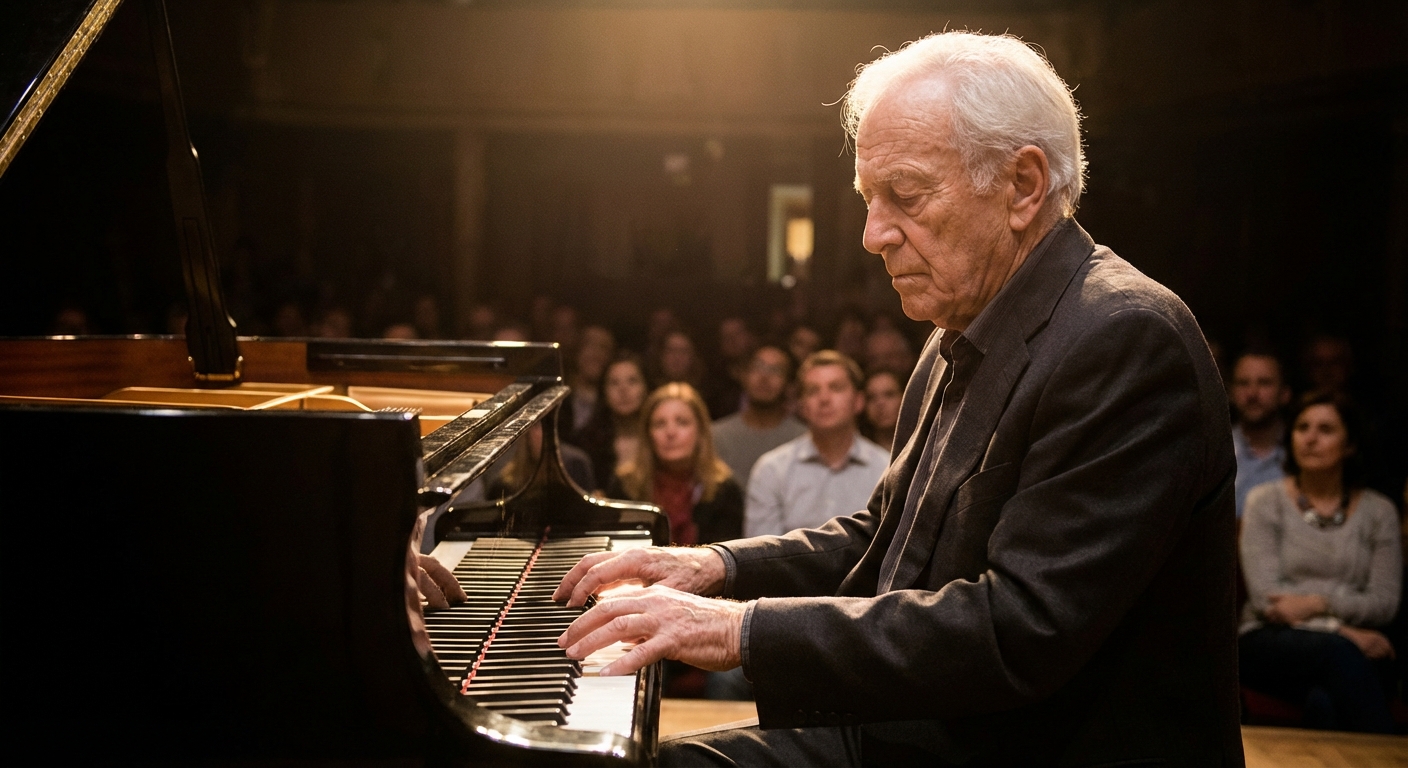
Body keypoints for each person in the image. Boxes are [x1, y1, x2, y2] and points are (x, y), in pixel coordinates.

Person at [552, 30, 1241, 766]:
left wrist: (734, 630)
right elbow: (884, 534)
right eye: (868, 199)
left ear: (1022, 185)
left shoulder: (1124, 337)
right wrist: (714, 567)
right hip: (932, 723)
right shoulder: (964, 317)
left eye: (904, 196)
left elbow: (1018, 630)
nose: (873, 235)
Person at [1238, 390, 1402, 733]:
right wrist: (1340, 631)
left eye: (1325, 430)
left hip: (1355, 650)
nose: (1310, 439)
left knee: (1324, 702)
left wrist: (1315, 603)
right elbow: (1268, 601)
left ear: (1351, 445)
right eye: (1302, 427)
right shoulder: (1264, 502)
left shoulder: (1379, 512)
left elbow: (1384, 603)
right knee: (1338, 655)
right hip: (1269, 641)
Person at [744, 351, 889, 537]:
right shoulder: (771, 470)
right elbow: (760, 556)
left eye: (836, 388)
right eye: (813, 391)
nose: (824, 399)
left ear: (858, 401)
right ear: (802, 406)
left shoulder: (886, 469)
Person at [607, 382, 743, 546]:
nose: (670, 433)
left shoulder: (725, 491)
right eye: (660, 424)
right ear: (648, 434)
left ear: (700, 432)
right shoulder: (624, 487)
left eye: (682, 422)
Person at [712, 346, 808, 494]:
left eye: (776, 370)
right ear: (743, 375)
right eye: (758, 367)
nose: (764, 377)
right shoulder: (716, 436)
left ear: (789, 383)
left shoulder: (803, 439)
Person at [574, 352, 649, 492]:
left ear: (645, 388)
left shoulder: (660, 439)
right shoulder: (586, 442)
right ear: (604, 392)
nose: (623, 390)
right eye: (614, 383)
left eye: (632, 381)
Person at [1230, 351, 1292, 518]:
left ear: (1285, 393)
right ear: (1231, 392)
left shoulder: (1304, 449)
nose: (1252, 393)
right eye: (1243, 383)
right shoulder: (1216, 451)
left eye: (1264, 383)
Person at [861, 368, 904, 450]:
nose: (880, 404)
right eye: (871, 397)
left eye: (889, 395)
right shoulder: (857, 450)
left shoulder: (924, 447)